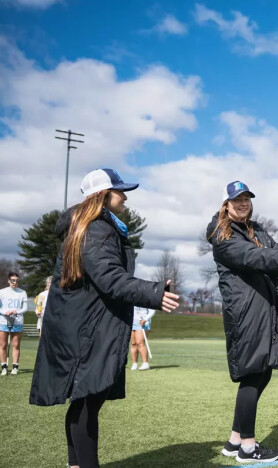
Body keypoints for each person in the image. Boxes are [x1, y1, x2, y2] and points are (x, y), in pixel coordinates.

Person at [29, 168, 180, 468]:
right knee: (87, 401)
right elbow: (110, 277)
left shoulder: (91, 226)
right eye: (119, 191)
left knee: (85, 401)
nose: (125, 197)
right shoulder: (96, 229)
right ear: (102, 196)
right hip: (87, 327)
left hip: (81, 324)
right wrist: (152, 292)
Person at [207, 180, 278, 464]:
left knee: (262, 372)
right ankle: (247, 448)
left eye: (246, 199)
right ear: (225, 205)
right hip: (246, 313)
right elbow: (255, 257)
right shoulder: (222, 234)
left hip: (265, 309)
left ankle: (234, 441)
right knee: (253, 375)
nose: (243, 203)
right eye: (237, 199)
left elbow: (275, 255)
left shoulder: (257, 230)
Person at [0, 272, 27, 376]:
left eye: (16, 280)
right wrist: (4, 312)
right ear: (8, 280)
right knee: (3, 345)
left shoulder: (22, 292)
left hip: (18, 321)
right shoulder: (2, 292)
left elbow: (24, 308)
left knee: (16, 344)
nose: (14, 282)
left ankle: (15, 367)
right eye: (12, 280)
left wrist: (17, 312)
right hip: (3, 321)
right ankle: (4, 367)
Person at [130, 306, 155, 370]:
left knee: (140, 342)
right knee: (133, 343)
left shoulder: (147, 298)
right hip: (132, 322)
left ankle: (145, 363)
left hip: (143, 323)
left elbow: (152, 311)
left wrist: (145, 319)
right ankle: (134, 364)